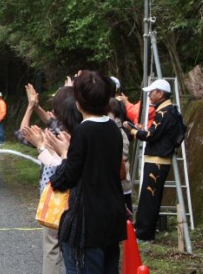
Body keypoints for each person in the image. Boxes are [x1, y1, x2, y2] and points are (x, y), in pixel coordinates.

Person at [49, 71, 127, 274]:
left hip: (87, 222)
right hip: (112, 217)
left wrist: (64, 153)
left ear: (79, 102)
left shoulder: (82, 132)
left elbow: (65, 179)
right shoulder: (113, 128)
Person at [18, 84, 81, 274]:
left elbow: (23, 135)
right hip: (81, 200)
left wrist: (31, 107)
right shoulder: (83, 129)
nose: (51, 111)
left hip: (57, 199)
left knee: (53, 245)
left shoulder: (59, 134)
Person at [122, 79, 182, 242]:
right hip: (159, 159)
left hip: (157, 160)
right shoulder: (170, 111)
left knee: (149, 198)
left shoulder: (164, 113)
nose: (149, 95)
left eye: (152, 92)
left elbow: (151, 135)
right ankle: (142, 229)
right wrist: (141, 129)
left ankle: (143, 233)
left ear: (160, 94)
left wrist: (133, 130)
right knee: (150, 198)